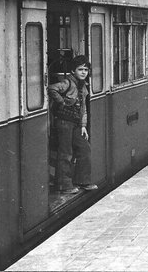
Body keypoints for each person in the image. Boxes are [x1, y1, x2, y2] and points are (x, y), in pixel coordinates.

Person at [48, 55, 97, 194]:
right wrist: (62, 102)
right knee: (66, 152)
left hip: (76, 123)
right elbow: (51, 88)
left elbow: (83, 109)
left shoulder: (84, 87)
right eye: (80, 69)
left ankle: (83, 181)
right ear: (73, 71)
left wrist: (83, 126)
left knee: (84, 149)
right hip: (64, 122)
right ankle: (64, 185)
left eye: (86, 70)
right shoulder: (67, 83)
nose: (83, 72)